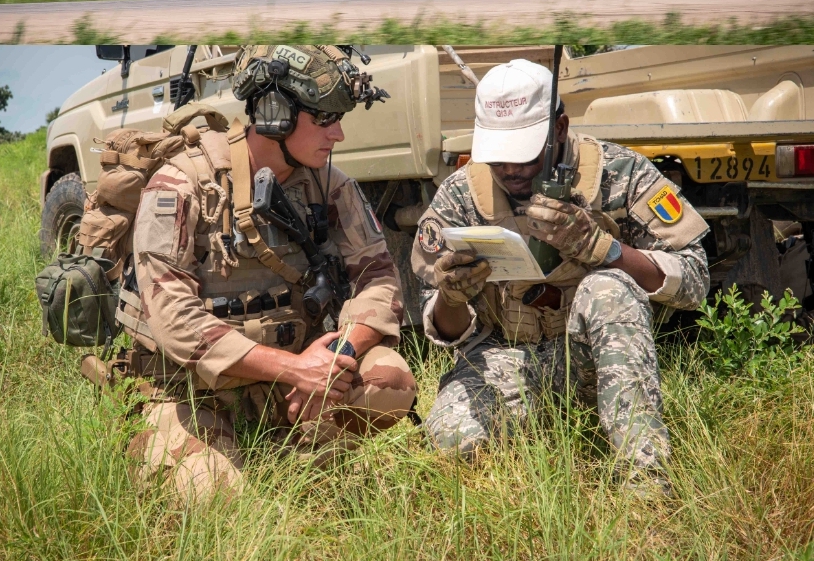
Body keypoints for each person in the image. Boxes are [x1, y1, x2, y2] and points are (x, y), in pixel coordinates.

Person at [124, 45, 416, 498]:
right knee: (216, 498)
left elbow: (378, 279)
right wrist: (296, 370)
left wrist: (333, 360)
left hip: (289, 380)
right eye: (324, 119)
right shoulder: (184, 184)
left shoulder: (327, 184)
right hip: (191, 391)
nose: (337, 133)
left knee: (391, 382)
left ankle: (299, 451)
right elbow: (174, 320)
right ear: (276, 113)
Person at [411, 58, 710, 490]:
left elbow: (696, 280)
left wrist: (606, 250)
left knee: (608, 288)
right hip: (504, 358)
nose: (510, 170)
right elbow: (440, 327)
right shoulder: (461, 194)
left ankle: (645, 476)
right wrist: (452, 297)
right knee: (452, 442)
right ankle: (539, 443)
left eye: (524, 155)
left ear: (560, 129)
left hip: (599, 359)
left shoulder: (620, 175)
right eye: (497, 157)